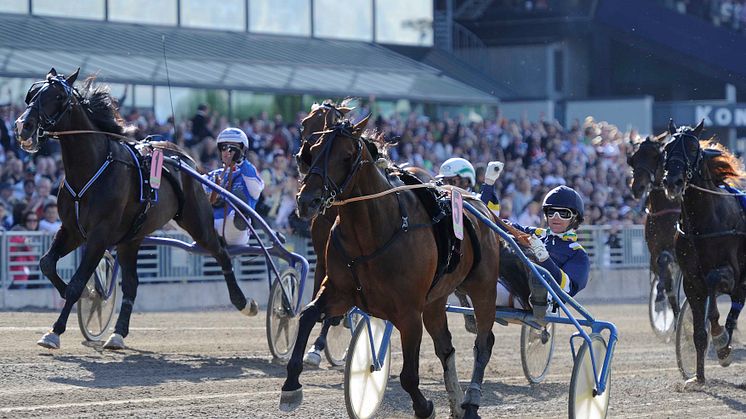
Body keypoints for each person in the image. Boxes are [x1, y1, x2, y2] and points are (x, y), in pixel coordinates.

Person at [486, 185, 591, 322]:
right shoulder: (535, 234)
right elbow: (497, 225)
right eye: (551, 212)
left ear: (575, 218)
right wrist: (489, 185)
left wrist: (544, 259)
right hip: (514, 290)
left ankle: (539, 297)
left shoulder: (578, 253)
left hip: (547, 303)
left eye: (563, 213)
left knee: (539, 278)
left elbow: (567, 289)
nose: (555, 217)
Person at [435, 157, 504, 333]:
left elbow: (488, 214)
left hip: (488, 254)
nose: (446, 185)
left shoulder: (480, 200)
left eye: (452, 181)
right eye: (444, 181)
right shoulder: (442, 202)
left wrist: (488, 184)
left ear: (467, 181)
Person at [205, 128, 264, 245]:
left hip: (235, 232)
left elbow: (257, 188)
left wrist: (241, 161)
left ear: (243, 150)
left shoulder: (247, 175)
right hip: (209, 228)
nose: (228, 151)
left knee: (234, 212)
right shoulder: (211, 176)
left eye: (233, 148)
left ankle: (240, 215)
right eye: (224, 148)